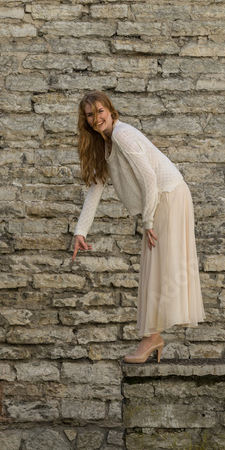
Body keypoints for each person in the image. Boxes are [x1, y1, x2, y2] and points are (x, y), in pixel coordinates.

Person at [72, 90, 206, 364]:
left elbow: (148, 176)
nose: (97, 118)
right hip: (162, 198)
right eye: (90, 115)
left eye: (100, 111)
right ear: (85, 121)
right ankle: (152, 337)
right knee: (152, 267)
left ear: (110, 111)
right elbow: (96, 188)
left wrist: (147, 221)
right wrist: (80, 232)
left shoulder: (122, 134)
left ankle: (151, 338)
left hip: (168, 194)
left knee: (155, 266)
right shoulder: (105, 144)